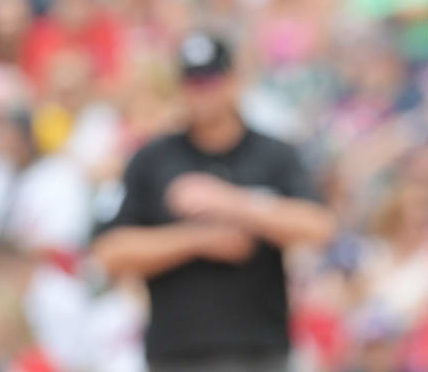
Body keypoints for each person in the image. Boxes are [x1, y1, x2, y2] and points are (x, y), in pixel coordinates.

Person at [92, 32, 335, 372]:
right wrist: (199, 240)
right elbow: (110, 252)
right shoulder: (152, 159)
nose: (202, 92)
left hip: (260, 351)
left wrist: (233, 203)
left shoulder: (273, 154)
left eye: (210, 80)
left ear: (234, 81)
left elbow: (318, 227)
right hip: (175, 354)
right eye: (192, 81)